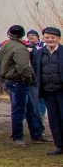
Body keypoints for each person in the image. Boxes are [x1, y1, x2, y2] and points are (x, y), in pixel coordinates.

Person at [0, 25, 46, 147]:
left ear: (9, 33)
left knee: (30, 109)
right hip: (18, 81)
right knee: (19, 110)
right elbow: (23, 67)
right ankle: (17, 136)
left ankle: (36, 134)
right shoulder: (20, 48)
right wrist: (29, 79)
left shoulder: (6, 45)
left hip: (13, 79)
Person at [34, 27, 63, 155]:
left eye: (53, 37)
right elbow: (36, 71)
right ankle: (59, 145)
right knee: (53, 119)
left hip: (61, 91)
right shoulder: (39, 53)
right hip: (48, 92)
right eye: (47, 37)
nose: (50, 40)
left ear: (58, 39)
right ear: (44, 39)